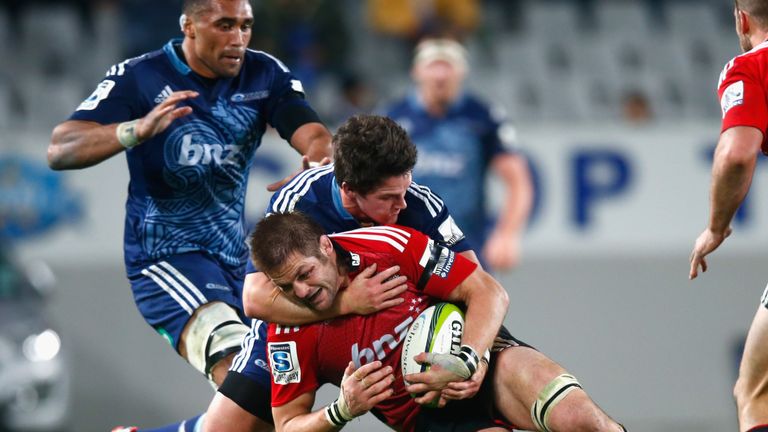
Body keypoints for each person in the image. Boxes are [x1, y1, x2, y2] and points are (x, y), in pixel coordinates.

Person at [47, 0, 332, 425]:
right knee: (245, 377)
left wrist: (316, 157)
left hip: (238, 262)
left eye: (245, 26)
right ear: (190, 27)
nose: (238, 38)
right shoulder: (140, 77)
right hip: (165, 258)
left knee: (269, 402)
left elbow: (310, 130)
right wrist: (133, 130)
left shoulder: (264, 73)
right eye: (225, 25)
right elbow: (60, 148)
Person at [202, 115, 475, 431]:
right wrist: (347, 303)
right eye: (387, 197)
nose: (402, 203)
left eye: (406, 185)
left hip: (387, 334)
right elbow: (254, 298)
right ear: (349, 190)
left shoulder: (416, 202)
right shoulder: (299, 200)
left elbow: (475, 282)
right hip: (300, 329)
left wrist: (472, 358)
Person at [252, 211, 626, 432]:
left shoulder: (387, 245)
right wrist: (341, 409)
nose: (300, 292)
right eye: (286, 286)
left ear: (326, 246)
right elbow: (287, 426)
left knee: (584, 420)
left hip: (483, 358)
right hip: (429, 417)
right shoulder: (287, 334)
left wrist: (470, 360)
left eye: (305, 274)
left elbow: (488, 292)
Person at [385, 38, 533, 272]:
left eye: (448, 66)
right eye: (433, 66)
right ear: (416, 71)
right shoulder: (391, 117)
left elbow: (517, 180)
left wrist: (507, 234)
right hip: (408, 244)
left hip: (467, 245)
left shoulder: (483, 117)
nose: (440, 75)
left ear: (462, 72)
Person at [689, 2, 768, 431]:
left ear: (742, 18)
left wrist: (716, 227)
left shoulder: (750, 68)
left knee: (755, 392)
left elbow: (737, 155)